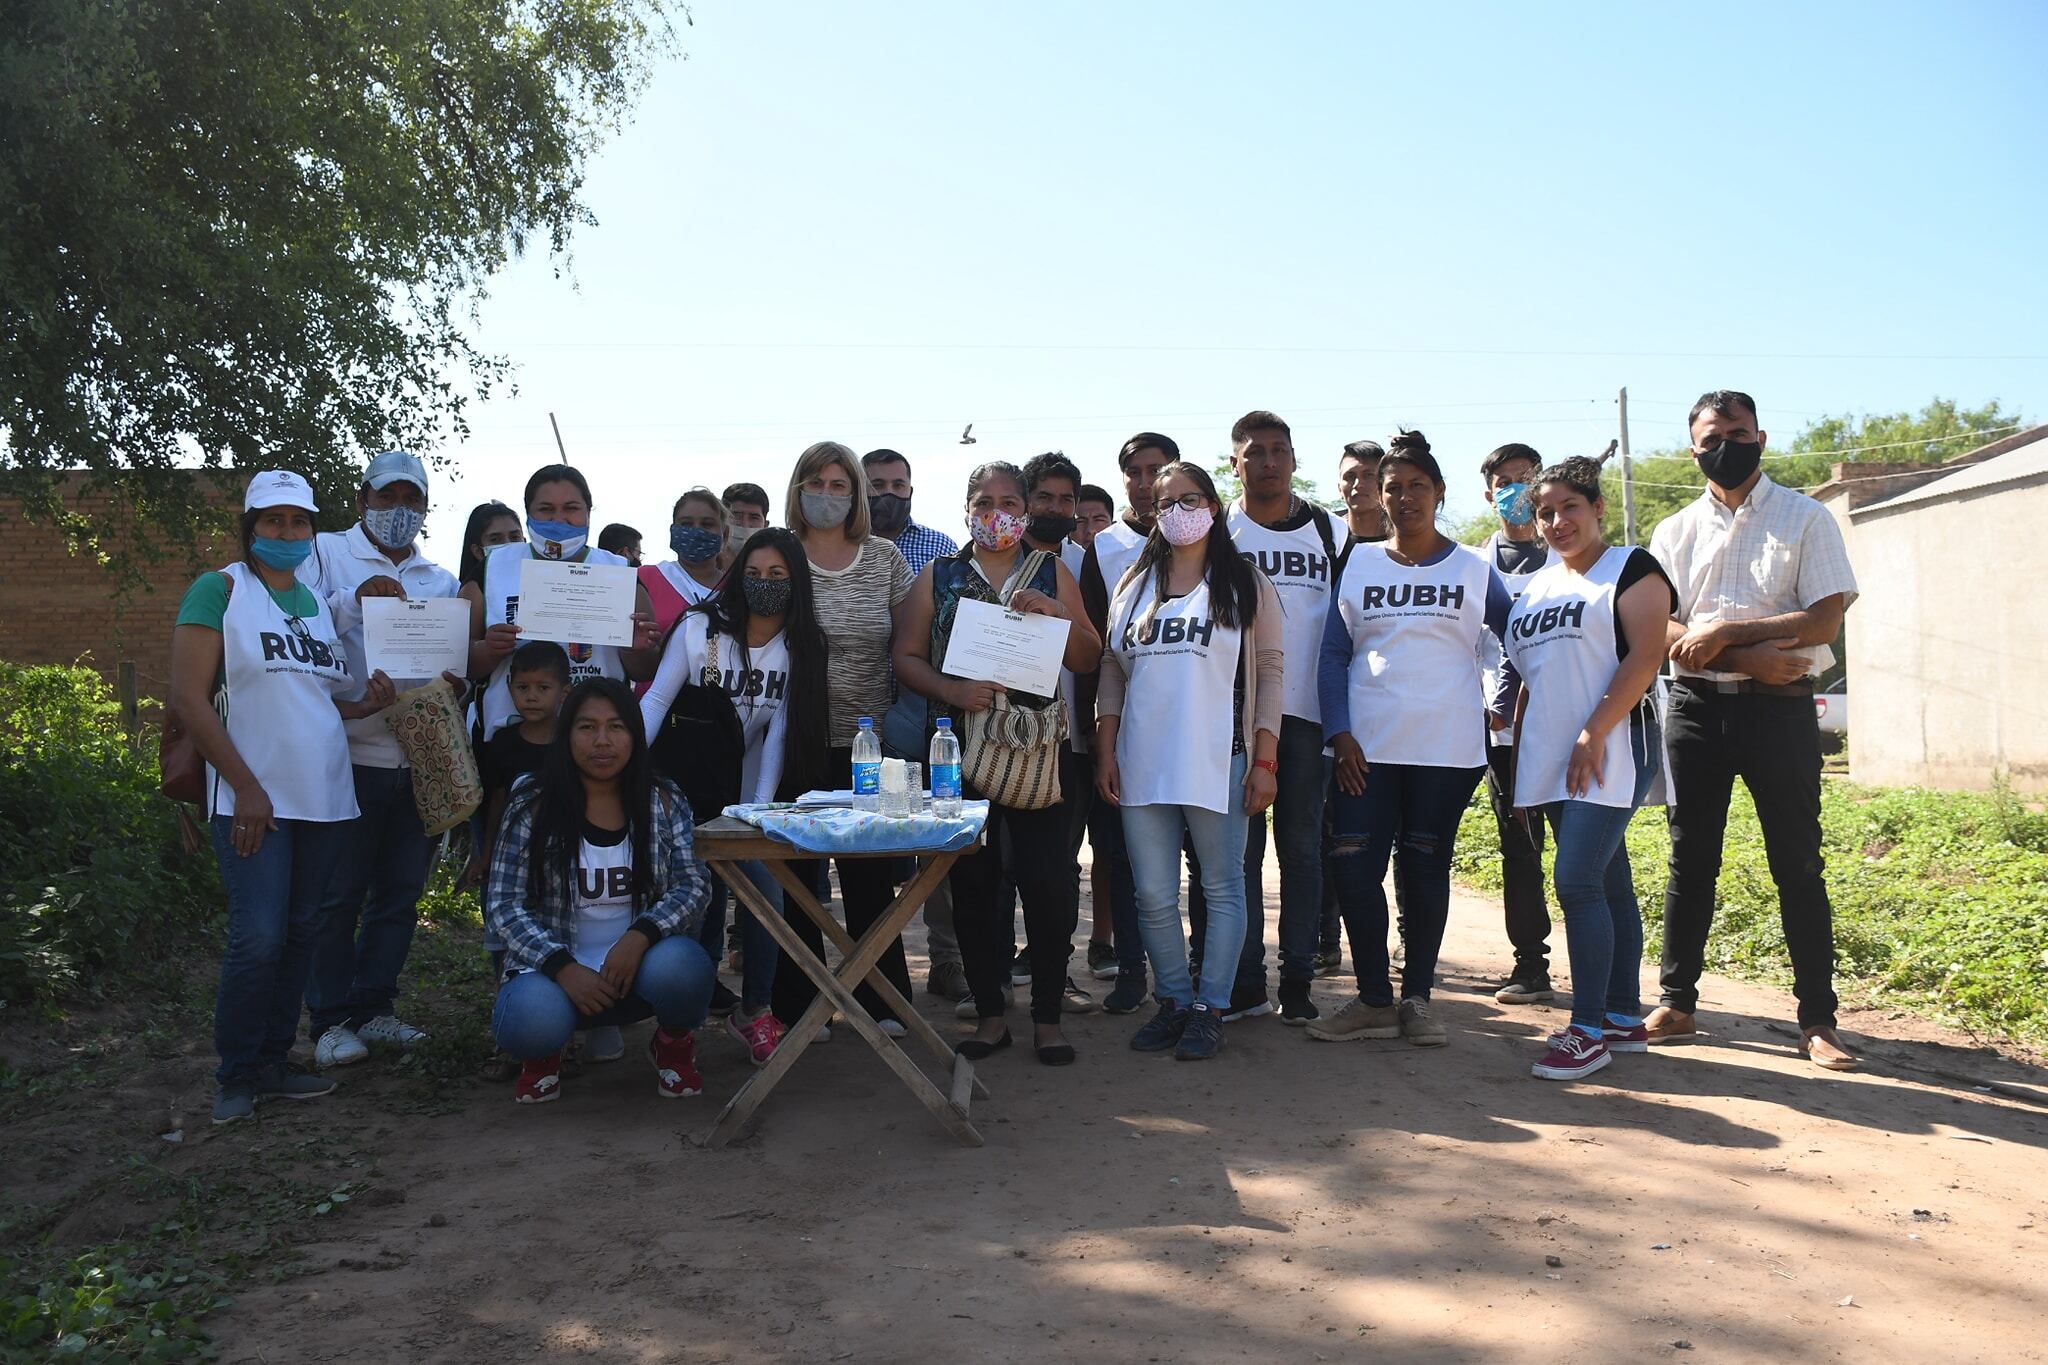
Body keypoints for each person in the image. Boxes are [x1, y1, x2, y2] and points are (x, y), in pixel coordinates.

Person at [169, 470, 394, 1123]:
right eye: (274, 521)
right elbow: (189, 698)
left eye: (299, 522)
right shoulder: (219, 591)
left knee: (301, 932)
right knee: (258, 935)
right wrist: (244, 787)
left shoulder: (317, 605)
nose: (288, 533)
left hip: (323, 796)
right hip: (253, 800)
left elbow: (313, 696)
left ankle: (274, 1060)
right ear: (251, 527)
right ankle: (236, 1073)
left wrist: (361, 705)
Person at [1648, 390, 1859, 1071]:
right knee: (1691, 859)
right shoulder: (1673, 531)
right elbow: (1661, 629)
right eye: (1711, 437)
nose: (1724, 446)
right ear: (1694, 449)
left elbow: (1824, 620)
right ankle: (1677, 1003)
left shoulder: (1807, 518)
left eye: (1736, 433)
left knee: (1797, 861)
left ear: (1761, 437)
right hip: (1696, 709)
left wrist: (1728, 630)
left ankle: (1817, 1021)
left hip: (1782, 711)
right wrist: (1743, 657)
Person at [1310, 430, 1513, 1048]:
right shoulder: (1359, 563)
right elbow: (1332, 656)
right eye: (1391, 487)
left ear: (1440, 493)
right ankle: (1374, 998)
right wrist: (1340, 733)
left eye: (1416, 487)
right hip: (1364, 751)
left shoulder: (1475, 570)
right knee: (1353, 869)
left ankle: (1417, 998)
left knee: (1424, 869)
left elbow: (1517, 642)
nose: (1403, 498)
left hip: (1446, 751)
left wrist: (1503, 705)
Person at [895, 461, 1102, 1065]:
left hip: (1037, 750)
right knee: (975, 885)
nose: (998, 512)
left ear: (1026, 507)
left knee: (1047, 883)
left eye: (1010, 500)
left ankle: (1046, 1017)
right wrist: (952, 691)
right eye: (985, 501)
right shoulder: (939, 575)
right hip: (957, 750)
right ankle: (991, 1015)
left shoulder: (1052, 570)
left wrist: (1059, 617)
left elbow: (1089, 656)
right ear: (966, 509)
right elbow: (904, 656)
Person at [1096, 462, 1282, 1061]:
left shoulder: (1245, 582)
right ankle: (1173, 1001)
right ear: (1151, 512)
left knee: (1222, 885)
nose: (1177, 510)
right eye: (1164, 501)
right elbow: (1110, 668)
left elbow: (1271, 670)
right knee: (1152, 893)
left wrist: (1265, 759)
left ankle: (1211, 1006)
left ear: (1213, 504)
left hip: (1221, 760)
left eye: (1190, 498)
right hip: (1143, 761)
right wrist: (1106, 746)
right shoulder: (1132, 584)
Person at [1505, 457, 1677, 1080]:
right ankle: (1622, 1018)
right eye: (1545, 513)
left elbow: (1645, 659)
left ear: (1597, 507)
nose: (1556, 522)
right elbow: (1530, 680)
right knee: (1607, 883)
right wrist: (1523, 763)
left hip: (1612, 746)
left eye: (1568, 508)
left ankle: (1586, 1028)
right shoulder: (1538, 586)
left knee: (1576, 881)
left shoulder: (1631, 568)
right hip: (1549, 754)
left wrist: (1593, 731)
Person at [297, 449, 464, 1068]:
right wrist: (352, 598)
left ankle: (377, 1010)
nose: (399, 510)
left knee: (399, 896)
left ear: (424, 507)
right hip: (348, 756)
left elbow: (448, 664)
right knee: (339, 896)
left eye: (411, 500)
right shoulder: (324, 553)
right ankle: (329, 1020)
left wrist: (457, 685)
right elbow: (302, 626)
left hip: (415, 761)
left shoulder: (438, 580)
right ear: (363, 497)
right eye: (387, 497)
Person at [642, 527, 831, 1065]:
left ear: (796, 581)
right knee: (699, 904)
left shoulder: (802, 645)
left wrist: (759, 809)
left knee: (765, 896)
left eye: (777, 575)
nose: (764, 584)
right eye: (753, 574)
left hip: (746, 799)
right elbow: (656, 701)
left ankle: (755, 1011)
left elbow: (780, 731)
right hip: (685, 791)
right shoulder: (701, 628)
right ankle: (681, 1026)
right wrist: (627, 774)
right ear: (737, 576)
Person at [486, 678, 715, 1104]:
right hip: (555, 973)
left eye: (616, 727)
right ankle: (544, 1054)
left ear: (635, 734)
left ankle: (672, 1042)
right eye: (587, 727)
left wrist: (639, 937)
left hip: (639, 966)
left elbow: (694, 883)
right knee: (527, 1021)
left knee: (686, 968)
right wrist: (561, 966)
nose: (602, 741)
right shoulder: (530, 805)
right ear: (566, 734)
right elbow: (503, 905)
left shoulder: (663, 800)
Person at [773, 442, 916, 1036]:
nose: (828, 496)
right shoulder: (774, 555)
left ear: (857, 493)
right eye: (816, 482)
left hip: (870, 742)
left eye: (840, 485)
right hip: (790, 742)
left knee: (870, 882)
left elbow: (915, 647)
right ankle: (800, 1007)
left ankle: (884, 1001)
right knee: (798, 884)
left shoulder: (885, 559)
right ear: (797, 488)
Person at [1209, 410, 1343, 1025]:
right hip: (1235, 717)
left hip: (1307, 716)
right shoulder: (1218, 532)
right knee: (1240, 856)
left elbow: (1346, 629)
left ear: (1293, 459)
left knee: (1302, 852)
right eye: (1253, 451)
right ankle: (1245, 985)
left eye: (1278, 450)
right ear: (1234, 462)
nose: (1267, 461)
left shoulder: (1329, 531)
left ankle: (1297, 984)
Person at [860, 448, 967, 1000]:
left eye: (899, 484)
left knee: (934, 843)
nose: (888, 493)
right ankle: (875, 972)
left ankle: (946, 960)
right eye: (876, 483)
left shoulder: (940, 551)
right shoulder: (834, 548)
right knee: (867, 851)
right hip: (846, 719)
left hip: (917, 718)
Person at [1076, 433, 1177, 1015]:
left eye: (1157, 470)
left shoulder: (1218, 541)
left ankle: (1201, 979)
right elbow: (1097, 651)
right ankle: (1132, 973)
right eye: (1134, 472)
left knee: (1203, 862)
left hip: (1198, 730)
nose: (1145, 482)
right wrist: (1099, 735)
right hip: (1129, 731)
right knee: (1127, 856)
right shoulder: (1106, 547)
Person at [463, 462, 661, 738]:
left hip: (596, 739)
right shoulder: (493, 567)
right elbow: (459, 660)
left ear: (588, 513)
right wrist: (488, 649)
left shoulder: (620, 571)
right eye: (546, 510)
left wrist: (635, 649)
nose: (559, 520)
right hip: (512, 738)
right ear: (528, 513)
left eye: (571, 508)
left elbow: (645, 669)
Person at [1475, 443, 1559, 1007]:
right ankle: (1532, 964)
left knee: (1582, 848)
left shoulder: (1573, 558)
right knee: (1519, 846)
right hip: (1501, 731)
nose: (1516, 489)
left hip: (1566, 725)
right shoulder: (1470, 565)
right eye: (1505, 481)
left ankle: (1608, 976)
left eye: (1526, 478)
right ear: (1489, 494)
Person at [1318, 440, 1394, 974]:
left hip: (1387, 718)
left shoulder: (1404, 546)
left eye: (1370, 475)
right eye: (1349, 475)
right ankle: (1325, 939)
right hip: (1324, 707)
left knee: (1395, 840)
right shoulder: (1326, 542)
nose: (1358, 484)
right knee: (1326, 833)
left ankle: (1405, 943)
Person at [1071, 478, 1119, 977]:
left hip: (1110, 729)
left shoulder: (1123, 559)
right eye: (1079, 519)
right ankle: (1048, 950)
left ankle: (1104, 939)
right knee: (1059, 851)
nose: (1087, 528)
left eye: (1097, 519)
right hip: (1058, 731)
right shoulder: (1056, 564)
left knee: (1109, 846)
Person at [636, 490, 730, 700]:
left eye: (707, 524)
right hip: (653, 712)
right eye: (686, 524)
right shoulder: (645, 578)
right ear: (673, 530)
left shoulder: (737, 589)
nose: (696, 531)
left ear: (725, 534)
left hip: (722, 714)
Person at [457, 501, 523, 591]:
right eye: (495, 539)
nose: (508, 544)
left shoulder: (543, 581)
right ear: (478, 552)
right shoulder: (471, 594)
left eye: (514, 537)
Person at [722, 481, 772, 557]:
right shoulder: (704, 565)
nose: (744, 524)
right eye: (736, 516)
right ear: (721, 520)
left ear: (765, 526)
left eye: (754, 518)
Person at [1074, 484, 1115, 550]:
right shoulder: (1054, 559)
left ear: (1113, 526)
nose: (1090, 530)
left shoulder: (1132, 558)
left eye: (1099, 520)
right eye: (1080, 521)